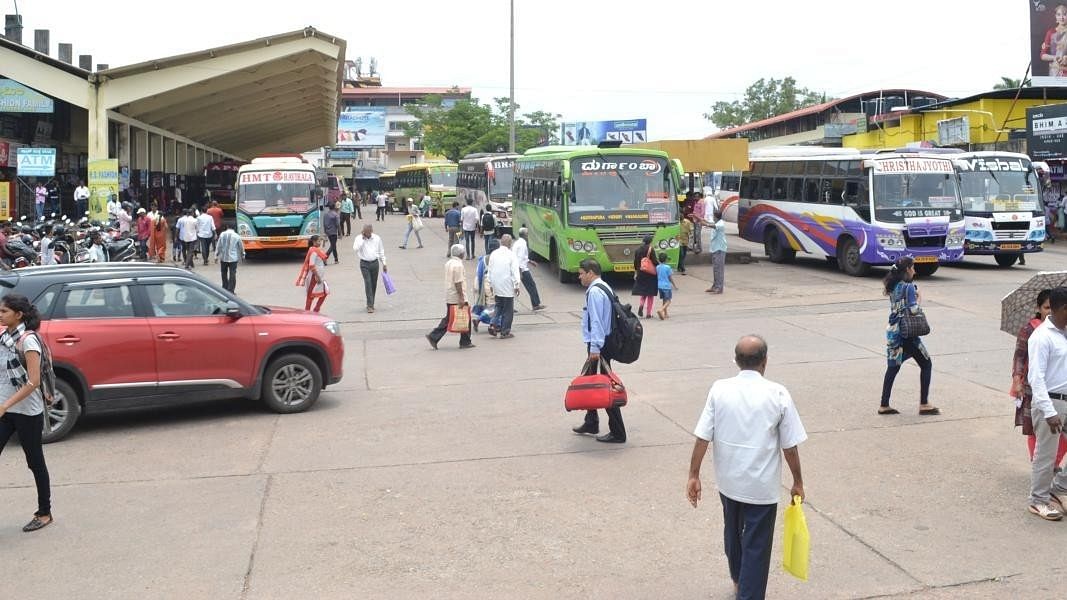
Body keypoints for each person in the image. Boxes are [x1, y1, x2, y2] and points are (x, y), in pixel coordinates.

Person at [686, 335, 807, 600]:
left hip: (729, 482)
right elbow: (790, 447)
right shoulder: (778, 393)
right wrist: (798, 481)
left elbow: (702, 436)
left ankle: (739, 580)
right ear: (765, 361)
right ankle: (748, 592)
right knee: (757, 545)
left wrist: (694, 474)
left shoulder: (719, 389)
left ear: (736, 361)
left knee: (732, 532)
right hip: (761, 488)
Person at [0, 294, 54, 532]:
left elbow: (33, 382)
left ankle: (44, 512)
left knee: (35, 462)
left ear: (18, 315)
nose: (0, 315)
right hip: (5, 408)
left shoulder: (28, 341)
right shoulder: (3, 337)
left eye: (4, 312)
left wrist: (5, 404)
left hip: (26, 412)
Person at [572, 259, 626, 443]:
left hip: (599, 345)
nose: (579, 277)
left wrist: (595, 347)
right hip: (604, 342)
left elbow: (596, 321)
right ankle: (591, 421)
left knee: (604, 386)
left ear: (590, 273)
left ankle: (618, 432)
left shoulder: (595, 291)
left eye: (581, 273)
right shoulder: (604, 286)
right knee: (590, 380)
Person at [1013, 289, 1067, 463]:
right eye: (1046, 307)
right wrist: (1017, 380)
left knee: (1058, 433)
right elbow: (1019, 357)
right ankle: (1040, 464)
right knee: (1036, 430)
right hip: (1034, 388)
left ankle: (1054, 465)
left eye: (1052, 307)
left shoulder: (1063, 330)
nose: (1049, 311)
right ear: (1038, 308)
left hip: (1058, 390)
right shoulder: (1031, 330)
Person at [879, 257, 938, 415]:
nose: (915, 271)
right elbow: (913, 310)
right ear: (907, 270)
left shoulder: (893, 287)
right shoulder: (909, 287)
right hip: (907, 334)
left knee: (893, 366)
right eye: (913, 268)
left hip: (893, 332)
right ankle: (924, 403)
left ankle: (884, 404)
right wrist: (919, 298)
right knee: (926, 364)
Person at [1027, 287, 1067, 520]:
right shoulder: (1042, 336)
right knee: (1047, 454)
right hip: (1050, 404)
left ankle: (1059, 487)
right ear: (1062, 309)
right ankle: (1038, 500)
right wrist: (1049, 411)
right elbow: (1036, 377)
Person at [425, 244, 476, 350]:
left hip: (450, 294)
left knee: (449, 318)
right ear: (461, 254)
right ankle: (465, 341)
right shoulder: (458, 265)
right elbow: (458, 282)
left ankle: (434, 336)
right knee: (466, 318)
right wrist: (461, 297)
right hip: (457, 296)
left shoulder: (449, 263)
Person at [487, 234, 521, 339]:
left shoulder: (494, 253)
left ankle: (493, 324)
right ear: (510, 243)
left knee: (498, 306)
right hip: (507, 286)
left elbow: (490, 270)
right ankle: (505, 332)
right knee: (508, 310)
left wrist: (491, 284)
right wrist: (517, 285)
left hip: (496, 285)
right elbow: (515, 271)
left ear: (501, 242)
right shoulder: (511, 255)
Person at [353, 224, 387, 313]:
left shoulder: (377, 238)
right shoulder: (358, 238)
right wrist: (363, 240)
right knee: (368, 283)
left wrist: (384, 263)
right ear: (363, 232)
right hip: (364, 264)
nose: (367, 234)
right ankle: (369, 305)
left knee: (373, 284)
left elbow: (381, 251)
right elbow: (355, 249)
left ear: (371, 231)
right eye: (365, 232)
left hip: (375, 263)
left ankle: (372, 302)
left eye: (369, 232)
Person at [513, 227, 545, 311]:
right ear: (525, 235)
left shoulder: (517, 242)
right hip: (522, 269)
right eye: (527, 234)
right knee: (531, 285)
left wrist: (530, 261)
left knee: (513, 287)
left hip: (517, 268)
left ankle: (535, 304)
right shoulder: (523, 244)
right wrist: (519, 272)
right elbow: (519, 259)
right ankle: (535, 304)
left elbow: (522, 257)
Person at [295, 235, 329, 312]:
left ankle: (316, 309)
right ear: (314, 242)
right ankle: (308, 312)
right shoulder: (314, 251)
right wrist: (317, 276)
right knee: (311, 296)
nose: (320, 242)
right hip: (315, 277)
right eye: (318, 241)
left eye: (320, 241)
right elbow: (311, 265)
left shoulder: (316, 250)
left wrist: (323, 241)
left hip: (320, 276)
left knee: (325, 292)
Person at [632, 234, 659, 319]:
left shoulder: (637, 250)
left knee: (643, 292)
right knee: (650, 294)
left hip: (641, 272)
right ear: (650, 241)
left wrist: (636, 272)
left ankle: (641, 305)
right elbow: (654, 261)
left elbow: (635, 263)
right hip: (650, 273)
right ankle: (648, 313)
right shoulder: (651, 249)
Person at [216, 223, 245, 293]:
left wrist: (216, 255)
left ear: (227, 226)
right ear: (234, 228)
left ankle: (225, 289)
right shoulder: (237, 236)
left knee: (224, 273)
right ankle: (231, 290)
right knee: (232, 274)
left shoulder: (222, 234)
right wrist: (243, 255)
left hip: (223, 258)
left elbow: (218, 245)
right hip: (233, 259)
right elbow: (241, 247)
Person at [1041, 4, 1067, 77]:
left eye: (1064, 14)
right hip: (1054, 73)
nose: (1061, 17)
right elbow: (1043, 55)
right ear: (1056, 16)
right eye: (1059, 15)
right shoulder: (1050, 33)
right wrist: (1054, 57)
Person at [706, 210, 727, 294]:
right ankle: (715, 286)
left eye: (713, 216)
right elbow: (707, 222)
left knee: (719, 270)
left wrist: (703, 223)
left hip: (720, 249)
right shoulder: (717, 222)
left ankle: (719, 288)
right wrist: (698, 218)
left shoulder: (720, 224)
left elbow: (710, 225)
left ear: (716, 216)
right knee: (715, 269)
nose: (713, 218)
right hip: (715, 249)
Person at [655, 252, 677, 319]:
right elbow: (670, 278)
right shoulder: (668, 267)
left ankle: (665, 314)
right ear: (666, 260)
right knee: (668, 301)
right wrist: (674, 285)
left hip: (659, 286)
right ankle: (661, 310)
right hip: (666, 286)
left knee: (664, 300)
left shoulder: (657, 267)